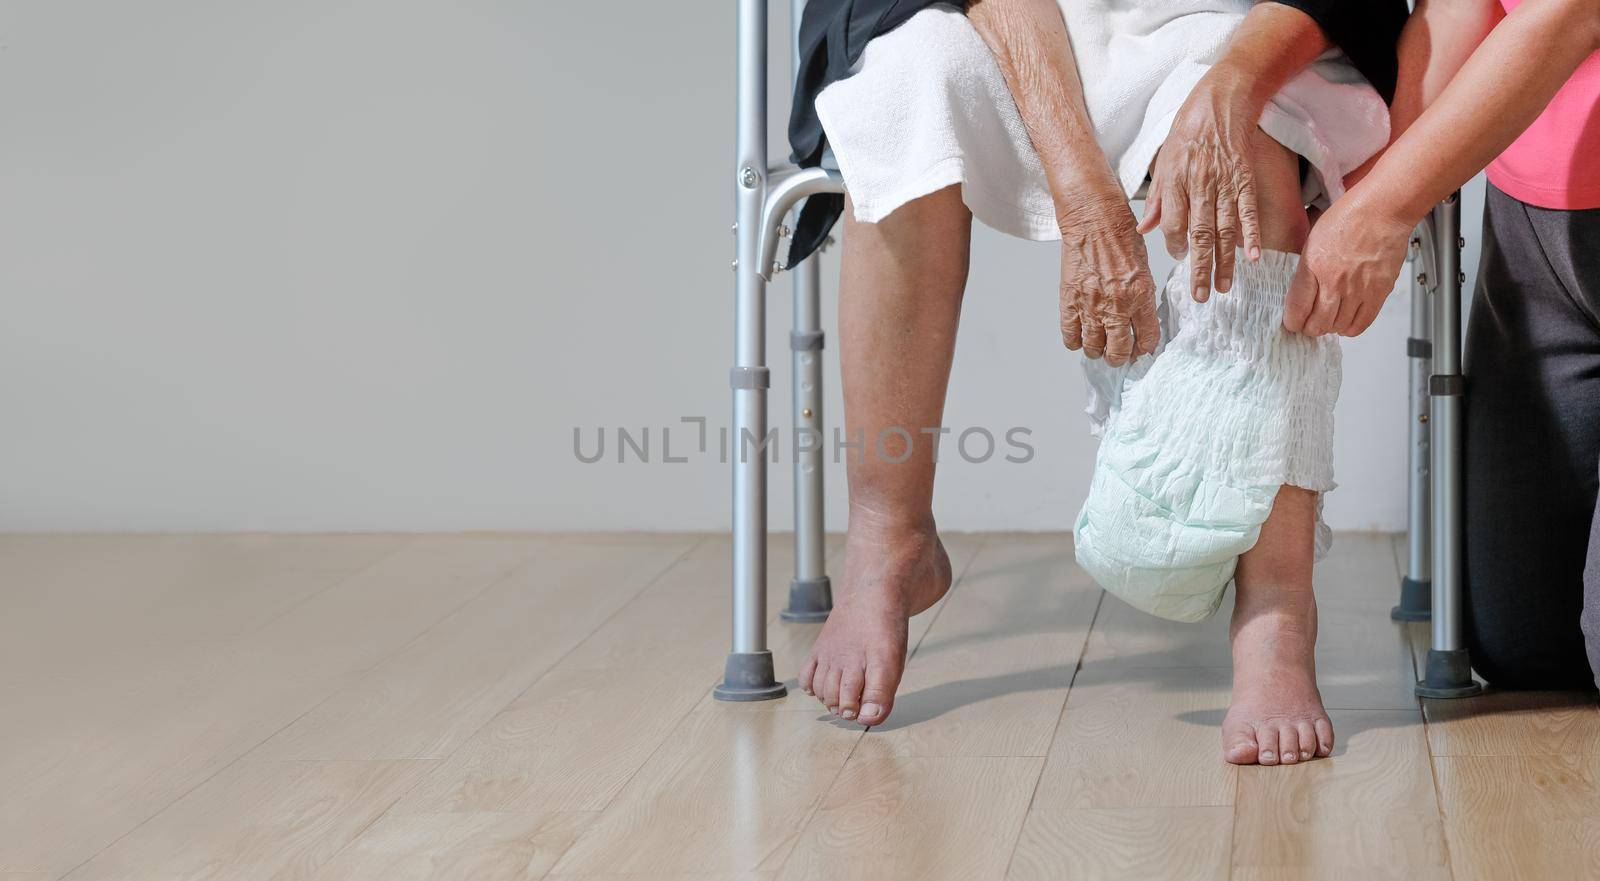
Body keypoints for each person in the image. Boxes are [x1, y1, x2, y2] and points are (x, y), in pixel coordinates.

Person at [784, 0, 1405, 765]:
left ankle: (1277, 609)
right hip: (1008, 20)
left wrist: (1235, 83)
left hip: (1231, 19)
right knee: (902, 89)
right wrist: (1083, 199)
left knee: (1253, 149)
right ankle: (888, 536)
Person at [1284, 0, 1600, 689]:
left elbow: (1571, 11)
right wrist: (1359, 188)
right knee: (1519, 644)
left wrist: (1385, 209)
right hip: (1538, 236)